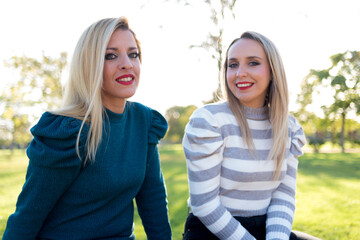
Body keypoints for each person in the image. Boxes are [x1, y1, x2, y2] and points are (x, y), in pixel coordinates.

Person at [3, 17, 171, 240]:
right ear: (89, 65)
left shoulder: (144, 121)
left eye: (133, 54)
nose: (127, 64)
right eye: (111, 55)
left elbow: (153, 201)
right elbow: (27, 216)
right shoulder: (68, 131)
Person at [182, 31, 319, 240]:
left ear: (273, 71)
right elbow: (204, 205)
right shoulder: (209, 121)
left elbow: (283, 197)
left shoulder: (288, 127)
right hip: (212, 231)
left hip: (266, 229)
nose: (240, 73)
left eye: (253, 63)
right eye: (233, 64)